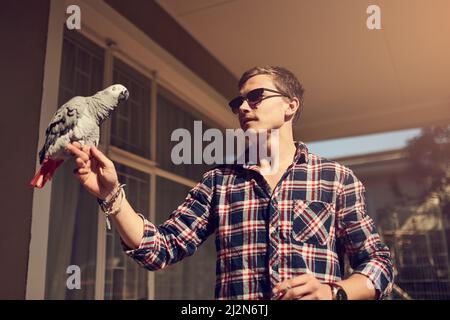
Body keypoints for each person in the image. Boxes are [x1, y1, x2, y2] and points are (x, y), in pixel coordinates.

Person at [66, 66, 394, 300]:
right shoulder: (218, 183)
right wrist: (112, 195)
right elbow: (161, 249)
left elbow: (378, 261)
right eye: (238, 103)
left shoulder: (336, 179)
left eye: (256, 97)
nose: (243, 107)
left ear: (290, 106)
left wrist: (334, 293)